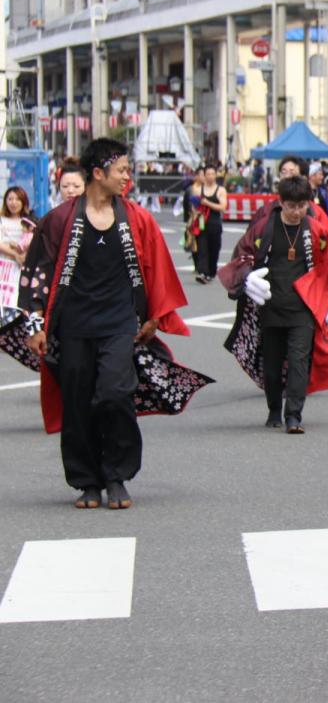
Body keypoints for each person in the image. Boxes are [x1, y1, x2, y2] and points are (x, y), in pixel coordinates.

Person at [18, 138, 211, 508]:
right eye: (122, 170)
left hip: (119, 323)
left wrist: (154, 316)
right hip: (73, 326)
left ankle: (117, 474)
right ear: (98, 173)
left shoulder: (136, 217)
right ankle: (87, 481)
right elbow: (37, 275)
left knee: (114, 395)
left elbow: (156, 266)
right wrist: (36, 325)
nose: (127, 176)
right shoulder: (59, 220)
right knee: (77, 403)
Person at [218, 175, 328, 434]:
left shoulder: (316, 229)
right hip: (270, 306)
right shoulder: (263, 228)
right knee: (272, 363)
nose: (296, 211)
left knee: (299, 361)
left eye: (302, 205)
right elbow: (242, 255)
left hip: (304, 308)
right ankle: (273, 410)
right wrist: (247, 275)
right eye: (291, 206)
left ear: (308, 203)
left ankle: (294, 416)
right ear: (281, 202)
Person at [1, 187, 37, 310]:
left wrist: (23, 255)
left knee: (15, 299)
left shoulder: (29, 222)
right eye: (10, 199)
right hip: (3, 265)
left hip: (20, 268)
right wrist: (15, 255)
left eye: (17, 199)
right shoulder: (1, 221)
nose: (13, 203)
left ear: (24, 202)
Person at [195, 165, 228, 283]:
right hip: (202, 223)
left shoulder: (221, 190)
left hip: (215, 223)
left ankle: (211, 272)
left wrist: (207, 203)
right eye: (208, 174)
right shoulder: (198, 190)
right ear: (204, 176)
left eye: (212, 174)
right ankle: (203, 272)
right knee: (202, 248)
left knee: (214, 249)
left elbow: (223, 207)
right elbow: (194, 206)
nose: (210, 176)